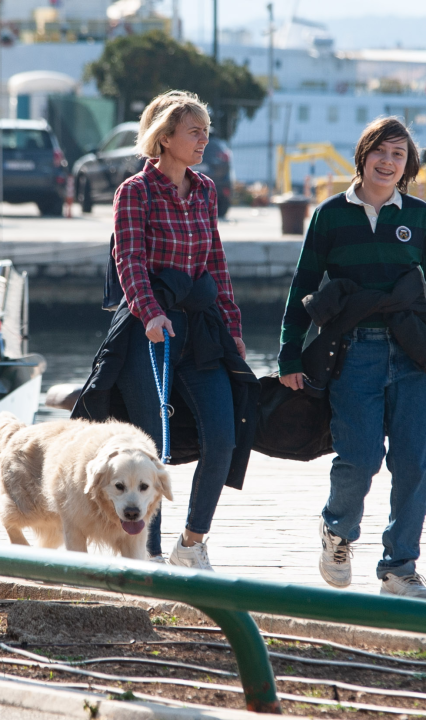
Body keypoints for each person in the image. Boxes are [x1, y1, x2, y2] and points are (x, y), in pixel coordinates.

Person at [277, 117, 426, 599]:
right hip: (352, 353)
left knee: (417, 463)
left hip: (414, 354)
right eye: (380, 151)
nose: (388, 161)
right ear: (363, 155)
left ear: (408, 165)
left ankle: (399, 568)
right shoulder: (330, 215)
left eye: (398, 154)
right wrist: (289, 354)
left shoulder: (419, 217)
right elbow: (304, 285)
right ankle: (337, 532)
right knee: (360, 458)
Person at [72, 90, 256, 571]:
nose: (204, 140)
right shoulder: (134, 191)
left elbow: (216, 263)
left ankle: (191, 544)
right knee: (146, 448)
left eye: (206, 132)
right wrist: (150, 312)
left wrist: (233, 326)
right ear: (166, 137)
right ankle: (147, 554)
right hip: (146, 328)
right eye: (195, 132)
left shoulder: (206, 190)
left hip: (201, 327)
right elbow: (129, 259)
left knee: (224, 436)